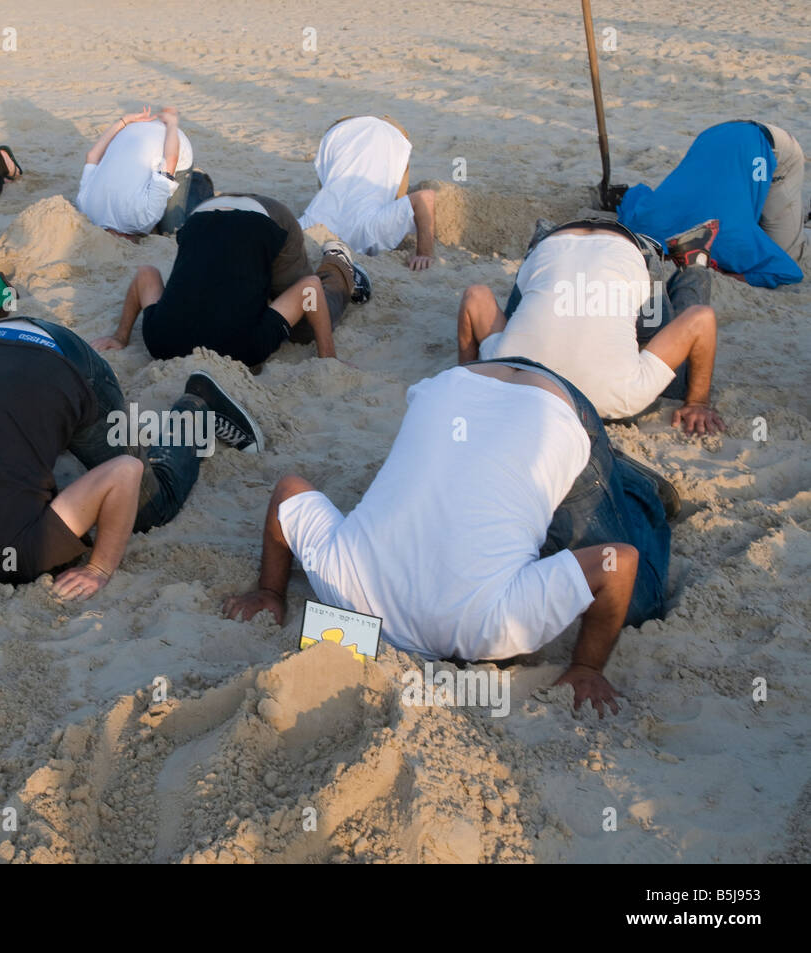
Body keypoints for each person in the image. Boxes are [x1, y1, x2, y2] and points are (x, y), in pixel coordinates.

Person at [224, 359, 675, 717]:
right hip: (461, 381)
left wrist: (586, 666)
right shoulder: (342, 580)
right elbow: (289, 492)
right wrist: (271, 591)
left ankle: (629, 478)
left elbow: (621, 561)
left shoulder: (496, 628)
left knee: (643, 600)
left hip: (556, 404)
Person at [0, 317, 264, 598]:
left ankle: (195, 407)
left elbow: (126, 472)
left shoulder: (27, 552)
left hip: (68, 364)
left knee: (154, 503)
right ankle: (188, 410)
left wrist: (99, 568)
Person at [456, 219, 724, 435]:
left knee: (675, 378)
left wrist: (697, 403)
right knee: (676, 379)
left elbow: (700, 319)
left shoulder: (625, 397)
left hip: (626, 246)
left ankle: (693, 262)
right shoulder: (503, 367)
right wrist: (468, 376)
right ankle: (692, 265)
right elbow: (475, 297)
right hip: (553, 242)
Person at [92, 194, 356, 366]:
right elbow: (146, 274)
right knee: (306, 326)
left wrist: (327, 354)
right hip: (202, 216)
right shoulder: (159, 341)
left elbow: (309, 289)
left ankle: (336, 260)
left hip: (257, 218)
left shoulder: (249, 347)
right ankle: (337, 261)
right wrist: (120, 336)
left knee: (306, 318)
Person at [618, 120, 806, 287]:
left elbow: (787, 272)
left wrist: (731, 276)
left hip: (775, 146)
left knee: (786, 254)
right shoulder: (641, 224)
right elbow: (635, 194)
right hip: (713, 136)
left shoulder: (730, 238)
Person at [299, 115, 437, 270]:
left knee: (396, 197)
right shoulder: (307, 226)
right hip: (340, 130)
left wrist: (424, 253)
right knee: (333, 181)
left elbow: (426, 197)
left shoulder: (371, 231)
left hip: (389, 132)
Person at [76, 106, 194, 237]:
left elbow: (171, 159)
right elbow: (92, 156)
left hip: (170, 139)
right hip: (131, 130)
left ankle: (197, 182)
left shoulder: (142, 221)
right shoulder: (84, 208)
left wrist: (172, 124)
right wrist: (124, 121)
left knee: (173, 231)